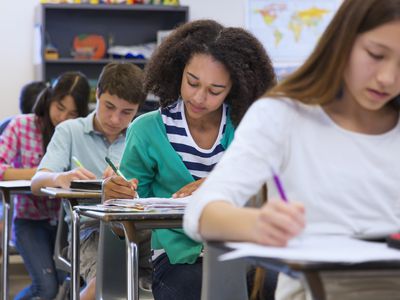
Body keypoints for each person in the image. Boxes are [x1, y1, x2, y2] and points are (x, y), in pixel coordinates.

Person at [183, 0, 400, 299]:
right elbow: (200, 212)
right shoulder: (283, 116)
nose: (387, 78)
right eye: (375, 55)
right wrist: (258, 224)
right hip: (319, 291)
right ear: (343, 41)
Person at [103, 19, 276, 300]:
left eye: (215, 90)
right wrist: (114, 198)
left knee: (277, 283)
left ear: (235, 87)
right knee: (192, 288)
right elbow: (126, 226)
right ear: (178, 70)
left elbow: (276, 190)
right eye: (192, 82)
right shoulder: (147, 130)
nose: (199, 97)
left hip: (245, 248)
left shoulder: (249, 127)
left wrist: (218, 185)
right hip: (178, 260)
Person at [31, 62, 147, 300]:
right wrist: (60, 177)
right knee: (106, 283)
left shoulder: (143, 134)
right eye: (109, 107)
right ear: (98, 94)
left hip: (139, 227)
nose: (115, 119)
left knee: (176, 267)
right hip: (90, 229)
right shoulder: (69, 131)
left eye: (127, 112)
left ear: (138, 109)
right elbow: (37, 181)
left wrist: (128, 185)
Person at [0, 71, 90, 300]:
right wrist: (47, 173)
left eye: (72, 113)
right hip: (28, 221)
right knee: (46, 287)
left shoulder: (75, 133)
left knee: (70, 282)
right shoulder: (21, 126)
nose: (63, 118)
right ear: (49, 98)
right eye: (59, 108)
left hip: (64, 224)